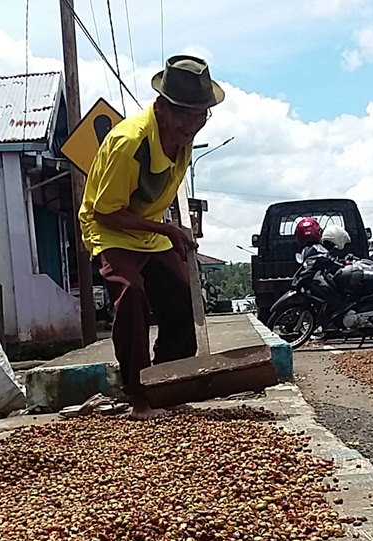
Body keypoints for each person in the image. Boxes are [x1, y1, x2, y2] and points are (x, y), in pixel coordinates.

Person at [79, 55, 225, 420]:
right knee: (131, 296)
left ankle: (169, 384)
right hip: (111, 228)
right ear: (161, 107)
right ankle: (139, 395)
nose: (193, 124)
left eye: (200, 115)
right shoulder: (129, 143)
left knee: (180, 292)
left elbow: (164, 190)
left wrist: (176, 230)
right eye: (185, 115)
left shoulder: (184, 137)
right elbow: (104, 211)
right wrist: (166, 230)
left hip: (148, 227)